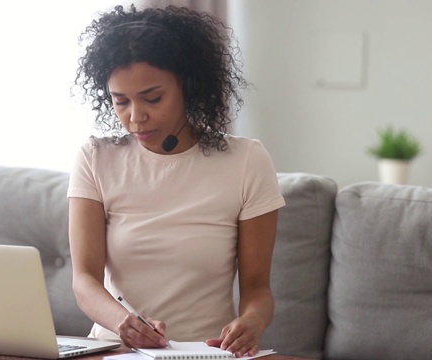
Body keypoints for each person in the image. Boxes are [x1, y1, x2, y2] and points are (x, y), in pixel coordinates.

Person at [67, 4, 285, 358]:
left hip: (205, 353)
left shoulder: (247, 161)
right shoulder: (96, 158)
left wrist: (252, 322)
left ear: (190, 86)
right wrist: (124, 322)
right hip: (113, 351)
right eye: (120, 101)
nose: (135, 117)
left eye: (153, 98)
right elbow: (84, 280)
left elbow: (258, 289)